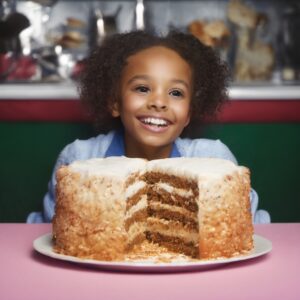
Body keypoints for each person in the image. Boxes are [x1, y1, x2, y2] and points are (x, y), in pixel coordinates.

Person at [27, 30, 270, 224]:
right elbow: (55, 231)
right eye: (142, 88)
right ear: (115, 102)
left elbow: (246, 225)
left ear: (188, 114)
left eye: (176, 92)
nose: (158, 102)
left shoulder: (215, 160)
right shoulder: (78, 160)